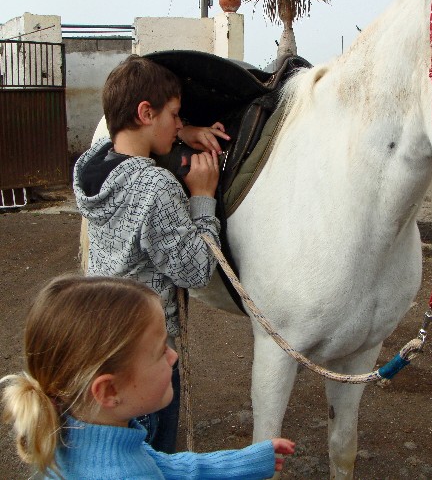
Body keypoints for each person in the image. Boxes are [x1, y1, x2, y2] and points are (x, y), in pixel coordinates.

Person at [72, 54, 230, 452]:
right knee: (151, 457)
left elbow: (124, 147)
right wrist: (203, 198)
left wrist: (183, 132)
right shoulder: (156, 188)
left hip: (102, 340)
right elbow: (196, 270)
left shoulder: (89, 166)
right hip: (144, 354)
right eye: (175, 115)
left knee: (110, 450)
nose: (179, 124)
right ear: (146, 112)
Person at [0, 275, 296, 479]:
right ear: (108, 390)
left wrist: (248, 461)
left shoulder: (72, 431)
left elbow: (164, 466)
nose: (174, 356)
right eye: (160, 352)